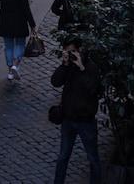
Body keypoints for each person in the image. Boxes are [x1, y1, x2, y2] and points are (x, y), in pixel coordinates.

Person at [49, 41, 105, 184]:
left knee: (93, 158)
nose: (71, 54)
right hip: (68, 119)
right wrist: (64, 65)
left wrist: (81, 68)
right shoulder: (68, 67)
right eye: (67, 52)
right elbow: (55, 82)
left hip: (86, 121)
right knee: (63, 157)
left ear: (79, 50)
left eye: (72, 51)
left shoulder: (91, 67)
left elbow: (93, 89)